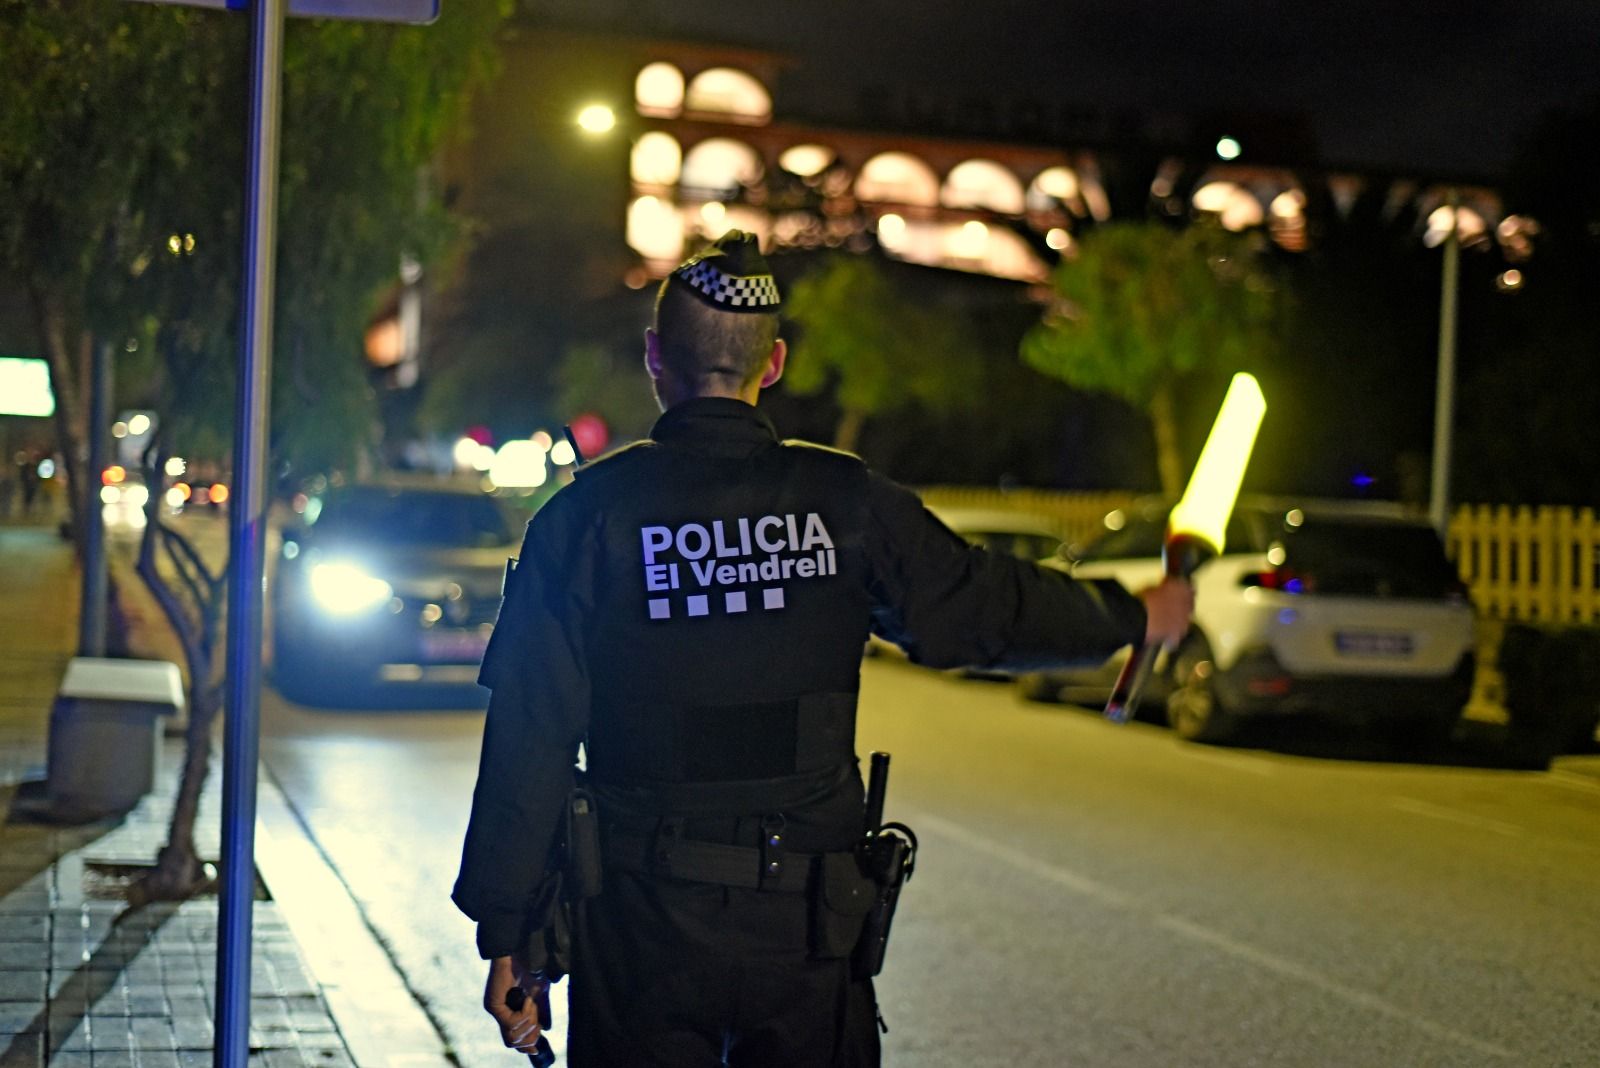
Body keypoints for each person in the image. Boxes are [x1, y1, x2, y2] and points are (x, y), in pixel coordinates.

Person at [453, 231, 1194, 1067]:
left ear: (656, 359)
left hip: (642, 926)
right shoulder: (846, 503)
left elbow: (530, 733)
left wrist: (509, 929)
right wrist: (1130, 616)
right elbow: (986, 608)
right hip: (806, 929)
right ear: (774, 365)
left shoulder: (584, 519)